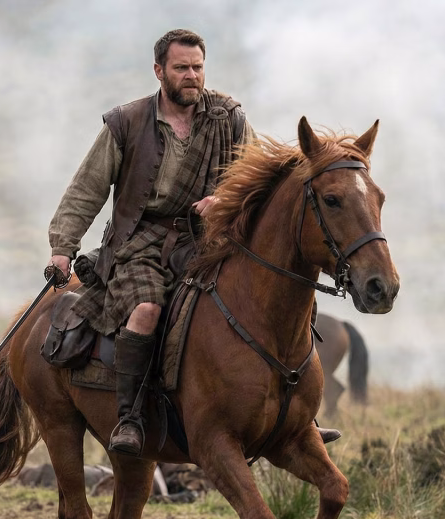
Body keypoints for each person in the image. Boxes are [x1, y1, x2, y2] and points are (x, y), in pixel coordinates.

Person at [47, 29, 338, 456]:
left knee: (275, 291)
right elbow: (86, 189)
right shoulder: (126, 123)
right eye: (181, 68)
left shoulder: (228, 117)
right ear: (159, 71)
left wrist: (222, 199)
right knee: (146, 310)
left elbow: (259, 178)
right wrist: (62, 247)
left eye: (197, 68)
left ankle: (297, 415)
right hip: (139, 243)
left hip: (207, 238)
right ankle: (130, 417)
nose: (191, 76)